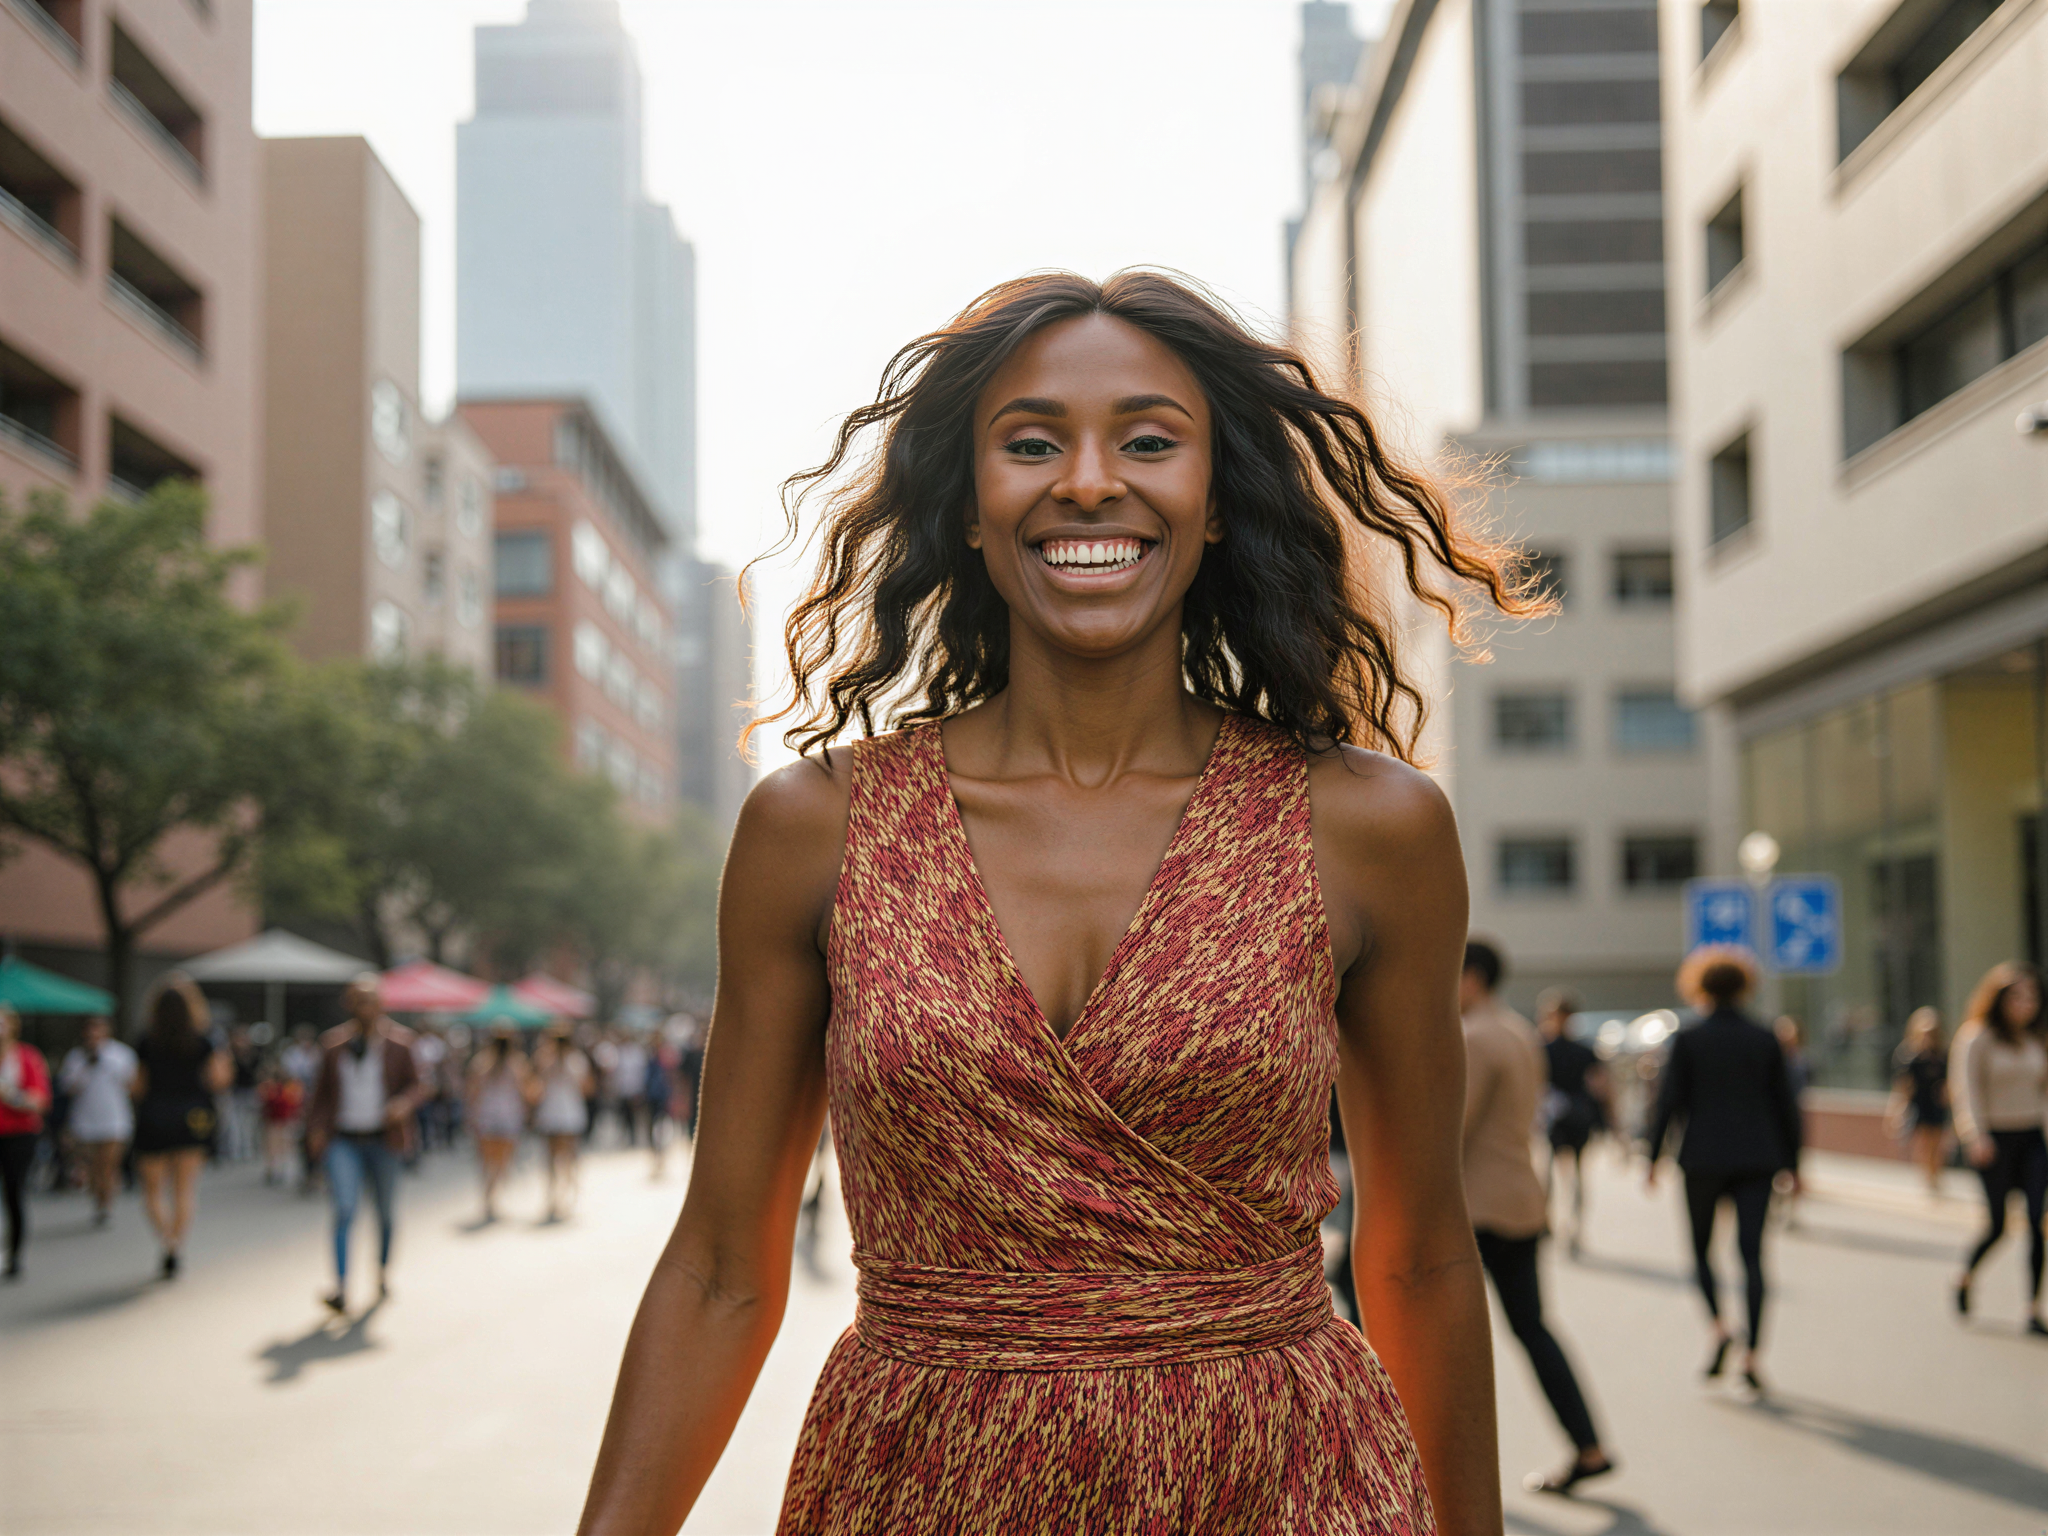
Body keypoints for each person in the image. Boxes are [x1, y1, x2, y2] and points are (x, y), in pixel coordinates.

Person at [578, 270, 1535, 1535]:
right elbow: (716, 1268)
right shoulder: (812, 828)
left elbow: (1415, 1252)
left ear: (1216, 505)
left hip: (1283, 1483)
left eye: (1148, 441)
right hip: (916, 1489)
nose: (1088, 480)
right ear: (970, 510)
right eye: (1031, 444)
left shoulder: (1372, 828)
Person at [1461, 944, 1614, 1493]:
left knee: (1451, 1342)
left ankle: (1450, 1478)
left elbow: (1450, 1129)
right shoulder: (1517, 1031)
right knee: (1533, 1327)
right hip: (1520, 1196)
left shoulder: (1473, 1037)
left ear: (1471, 977)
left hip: (1476, 1206)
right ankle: (1588, 1445)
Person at [1644, 947, 1803, 1395]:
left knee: (1701, 1250)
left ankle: (1718, 1327)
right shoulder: (1765, 1036)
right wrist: (1796, 1164)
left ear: (1700, 986)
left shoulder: (1690, 1038)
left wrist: (1652, 1158)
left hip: (1703, 1157)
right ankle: (1753, 1352)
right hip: (1758, 1157)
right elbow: (1786, 1105)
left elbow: (1669, 1101)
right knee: (1752, 1255)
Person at [304, 974, 426, 1314]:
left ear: (381, 1004)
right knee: (344, 1210)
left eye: (370, 1000)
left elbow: (419, 1086)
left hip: (384, 1140)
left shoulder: (401, 1044)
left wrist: (403, 1104)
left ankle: (382, 1271)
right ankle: (342, 1286)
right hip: (344, 1140)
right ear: (349, 1005)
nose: (365, 1007)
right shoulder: (333, 1045)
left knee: (385, 1214)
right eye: (358, 1000)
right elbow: (320, 1095)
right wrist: (314, 1131)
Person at [1949, 962, 2047, 1333]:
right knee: (1998, 1226)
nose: (2025, 1004)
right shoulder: (1977, 1037)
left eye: (2031, 997)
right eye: (2017, 996)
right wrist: (1975, 1135)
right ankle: (1966, 1276)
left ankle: (2032, 1308)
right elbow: (1966, 1090)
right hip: (1995, 1141)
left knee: (2038, 1222)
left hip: (2033, 1138)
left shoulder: (2037, 1040)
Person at [132, 976, 232, 1279]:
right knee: (184, 1189)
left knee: (152, 1190)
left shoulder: (146, 1040)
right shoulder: (206, 1039)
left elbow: (138, 1087)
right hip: (194, 1116)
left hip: (154, 1116)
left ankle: (167, 1241)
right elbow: (219, 1080)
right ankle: (176, 1245)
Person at [1535, 987, 1608, 1256]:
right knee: (1563, 1175)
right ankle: (1558, 1225)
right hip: (1572, 1116)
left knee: (1562, 1174)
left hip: (1563, 1117)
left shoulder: (1544, 1048)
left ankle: (1562, 1226)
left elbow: (1601, 1085)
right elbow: (1601, 1086)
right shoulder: (1577, 1049)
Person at [58, 1015, 136, 1227]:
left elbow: (132, 1085)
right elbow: (68, 1088)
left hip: (115, 1120)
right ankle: (98, 1201)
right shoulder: (76, 1057)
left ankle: (107, 1204)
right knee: (93, 1168)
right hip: (85, 1121)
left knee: (108, 1166)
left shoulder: (121, 1055)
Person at [0, 1004, 52, 1279]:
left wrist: (11, 1095)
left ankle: (14, 1254)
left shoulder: (27, 1057)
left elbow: (40, 1101)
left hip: (19, 1134)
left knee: (13, 1192)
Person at [467, 1026, 531, 1222]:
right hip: (496, 1118)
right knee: (494, 1162)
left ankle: (491, 1198)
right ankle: (490, 1199)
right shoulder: (487, 1062)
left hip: (502, 1118)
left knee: (495, 1162)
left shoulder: (511, 1063)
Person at [1886, 1006, 1950, 1194]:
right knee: (1923, 1142)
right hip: (1919, 1104)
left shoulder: (1942, 1055)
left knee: (1938, 1143)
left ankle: (1936, 1173)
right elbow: (1903, 1085)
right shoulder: (1909, 1056)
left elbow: (1949, 1081)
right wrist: (1896, 1110)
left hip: (1937, 1104)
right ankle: (1928, 1177)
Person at [532, 1026, 593, 1221]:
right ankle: (565, 1195)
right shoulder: (574, 1060)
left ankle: (555, 1197)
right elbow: (587, 1088)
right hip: (567, 1115)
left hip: (554, 1114)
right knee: (567, 1158)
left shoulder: (547, 1059)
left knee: (552, 1160)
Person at [256, 1060, 303, 1187]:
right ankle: (274, 1170)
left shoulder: (292, 1086)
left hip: (286, 1121)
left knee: (285, 1146)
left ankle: (283, 1170)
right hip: (273, 1121)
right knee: (272, 1147)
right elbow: (264, 1102)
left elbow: (296, 1102)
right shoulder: (268, 1087)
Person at [609, 1029, 650, 1149]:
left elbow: (641, 1071)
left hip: (634, 1089)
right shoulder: (618, 1052)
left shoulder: (637, 1052)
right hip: (622, 1089)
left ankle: (633, 1136)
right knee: (622, 1114)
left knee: (634, 1114)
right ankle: (624, 1135)